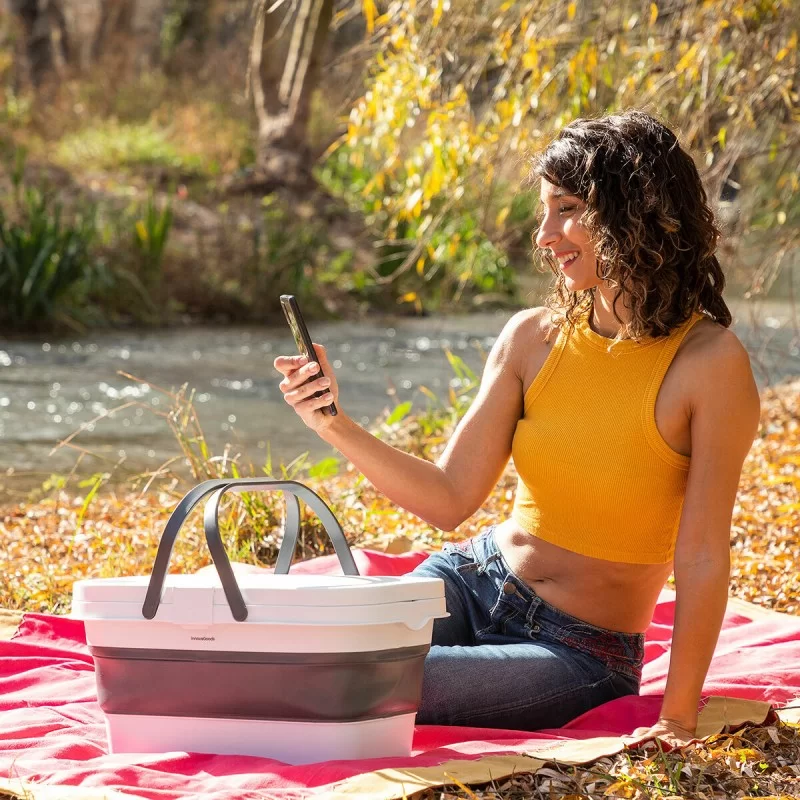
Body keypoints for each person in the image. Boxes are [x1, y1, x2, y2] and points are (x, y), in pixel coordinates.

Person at [273, 110, 761, 744]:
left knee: (359, 681)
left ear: (635, 210)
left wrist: (677, 718)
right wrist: (331, 422)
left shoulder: (709, 364)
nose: (545, 234)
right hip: (470, 581)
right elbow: (449, 497)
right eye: (543, 211)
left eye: (567, 209)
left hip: (578, 650)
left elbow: (702, 556)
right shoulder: (532, 337)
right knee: (310, 650)